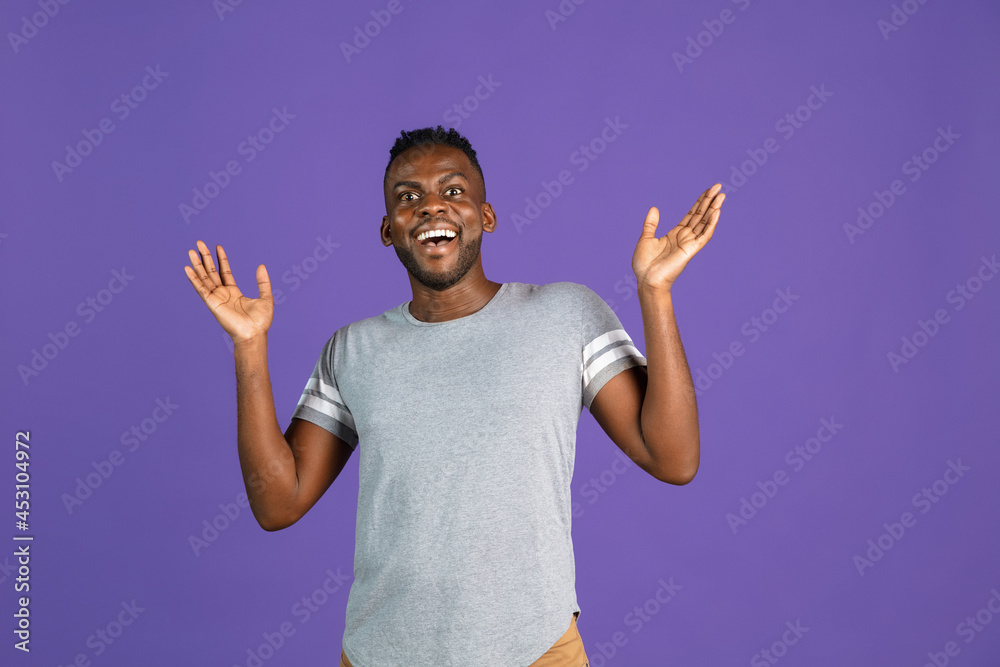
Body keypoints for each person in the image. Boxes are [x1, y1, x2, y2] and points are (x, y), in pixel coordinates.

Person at [183, 126, 725, 666]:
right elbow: (277, 504)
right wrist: (249, 346)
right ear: (388, 230)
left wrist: (655, 292)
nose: (430, 206)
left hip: (534, 650)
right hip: (380, 655)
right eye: (408, 197)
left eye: (454, 190)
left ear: (485, 216)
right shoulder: (352, 350)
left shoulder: (567, 315)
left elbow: (673, 459)